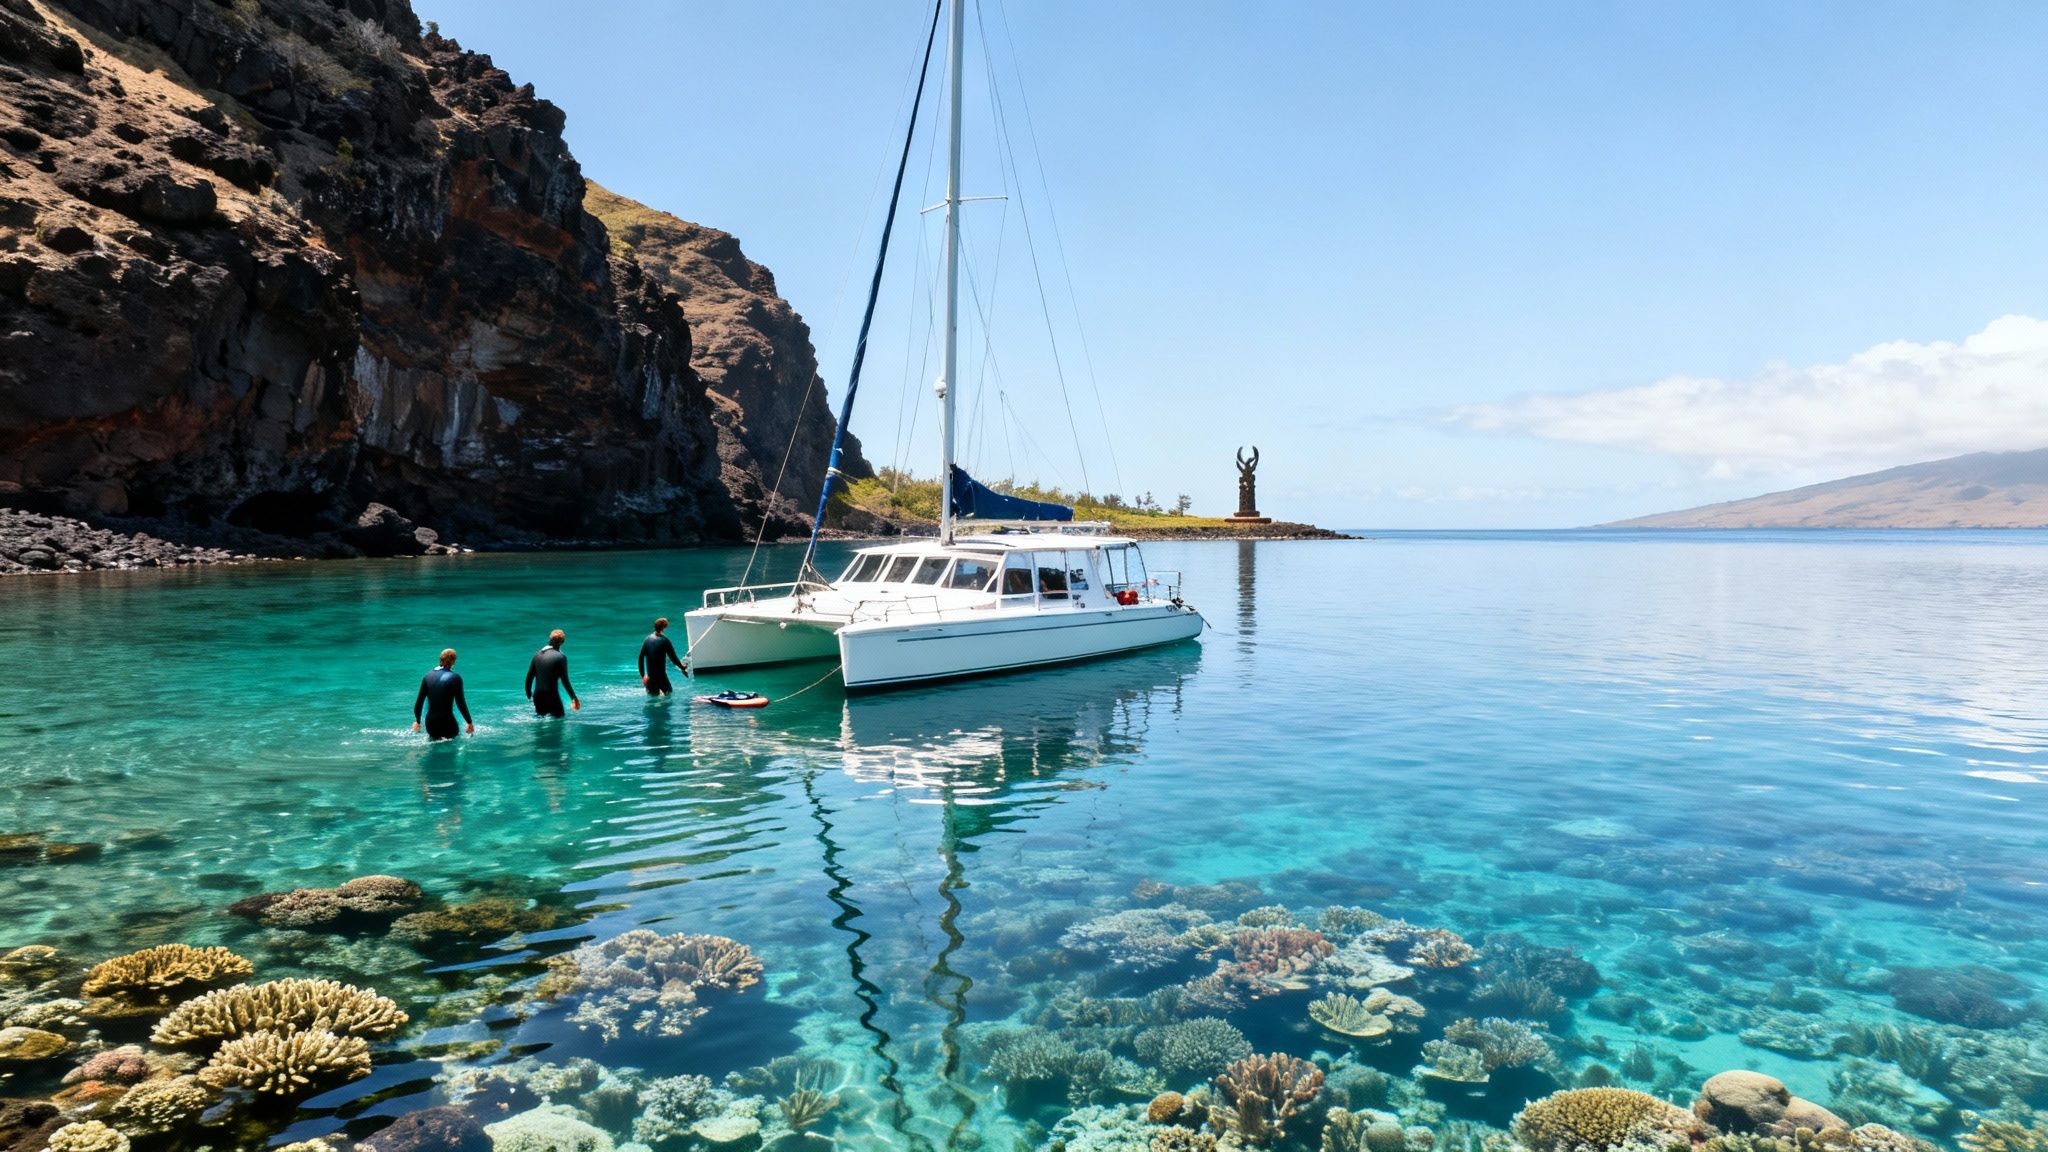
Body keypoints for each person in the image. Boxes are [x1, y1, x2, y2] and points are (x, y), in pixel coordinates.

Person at [412, 648, 473, 740]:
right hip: (448, 724)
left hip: (431, 725)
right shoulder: (456, 678)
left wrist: (418, 721)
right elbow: (461, 704)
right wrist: (469, 722)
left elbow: (419, 703)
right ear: (453, 662)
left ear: (440, 659)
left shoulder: (427, 676)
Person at [525, 629, 580, 718]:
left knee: (540, 724)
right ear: (562, 642)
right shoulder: (561, 657)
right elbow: (565, 681)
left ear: (550, 639)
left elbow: (529, 678)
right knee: (559, 723)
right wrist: (574, 698)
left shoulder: (537, 655)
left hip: (538, 696)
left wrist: (529, 695)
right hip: (552, 696)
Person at [639, 617, 686, 696]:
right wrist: (682, 667)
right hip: (661, 678)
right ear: (664, 628)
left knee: (652, 701)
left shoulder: (647, 639)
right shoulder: (665, 641)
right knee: (669, 695)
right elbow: (673, 658)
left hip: (650, 679)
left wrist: (643, 676)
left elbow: (640, 658)